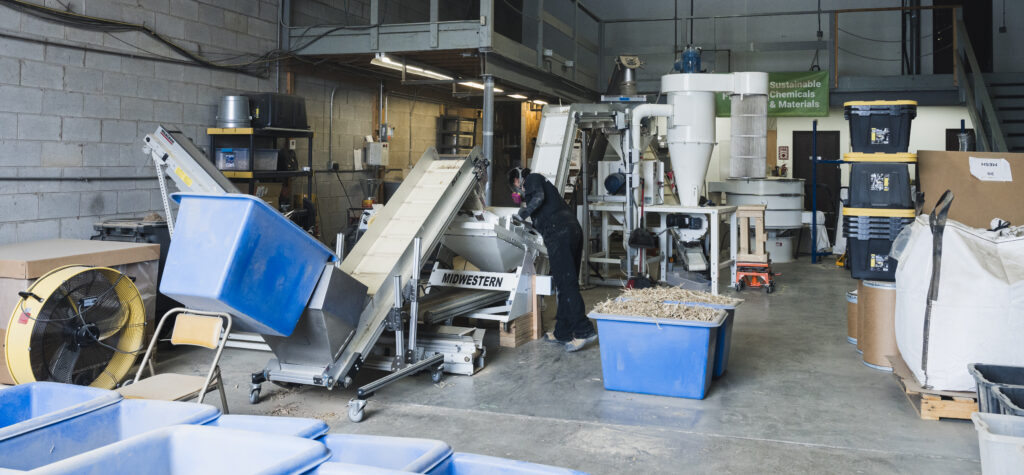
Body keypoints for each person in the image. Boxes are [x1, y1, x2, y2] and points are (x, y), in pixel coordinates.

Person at [509, 167, 597, 352]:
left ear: (518, 179)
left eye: (516, 187)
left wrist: (521, 214)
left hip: (560, 234)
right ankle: (562, 332)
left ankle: (584, 330)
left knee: (566, 284)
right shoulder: (542, 186)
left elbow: (538, 197)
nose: (519, 191)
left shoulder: (533, 178)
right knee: (564, 283)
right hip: (570, 230)